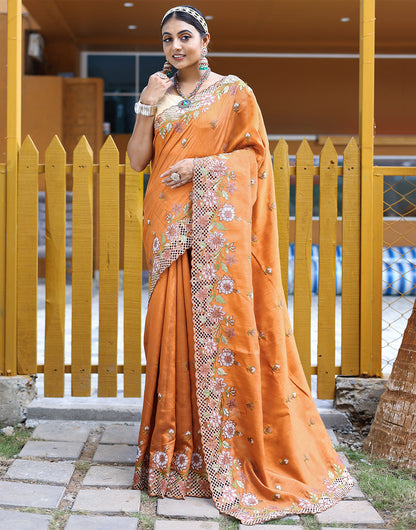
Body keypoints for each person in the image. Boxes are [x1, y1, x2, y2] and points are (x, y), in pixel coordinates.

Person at [128, 5, 353, 525]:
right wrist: (144, 106)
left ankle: (224, 454)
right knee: (166, 332)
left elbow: (254, 159)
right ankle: (175, 455)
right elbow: (140, 161)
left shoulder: (234, 92)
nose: (175, 46)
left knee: (220, 332)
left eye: (185, 36)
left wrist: (202, 167)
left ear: (205, 40)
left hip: (216, 232)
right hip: (168, 226)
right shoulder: (157, 96)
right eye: (167, 40)